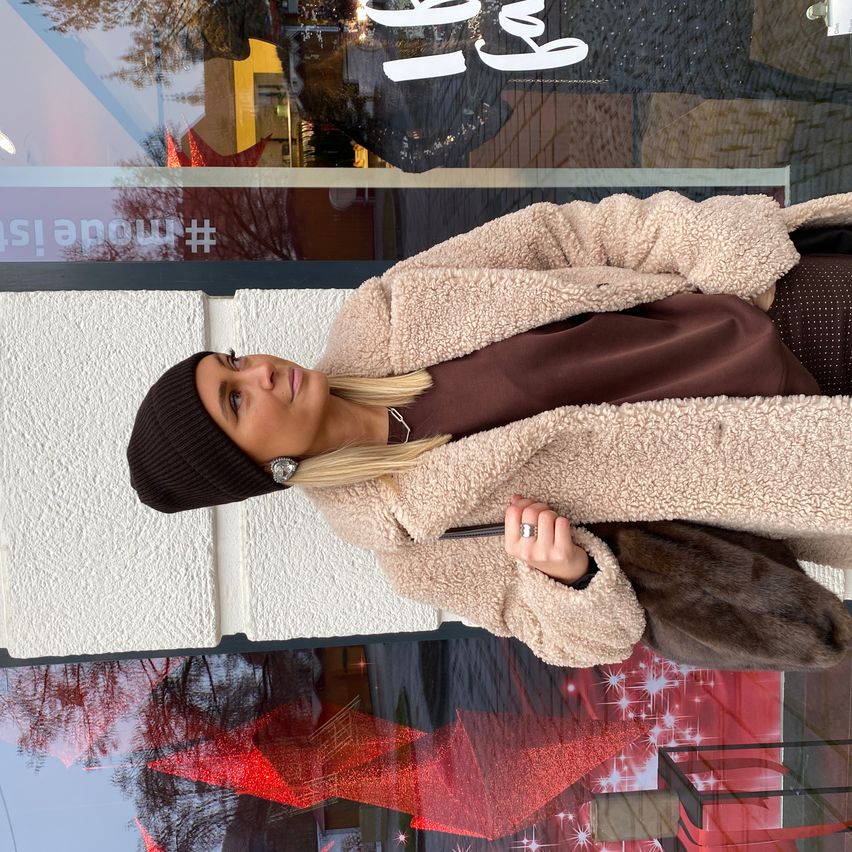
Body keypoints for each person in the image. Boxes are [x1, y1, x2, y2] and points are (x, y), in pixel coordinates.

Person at [128, 190, 852, 669]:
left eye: (232, 360)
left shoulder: (382, 312)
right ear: (264, 470)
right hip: (803, 457)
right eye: (234, 400)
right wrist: (567, 578)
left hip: (788, 301)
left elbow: (563, 235)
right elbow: (580, 639)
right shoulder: (416, 547)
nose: (257, 372)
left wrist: (719, 251)